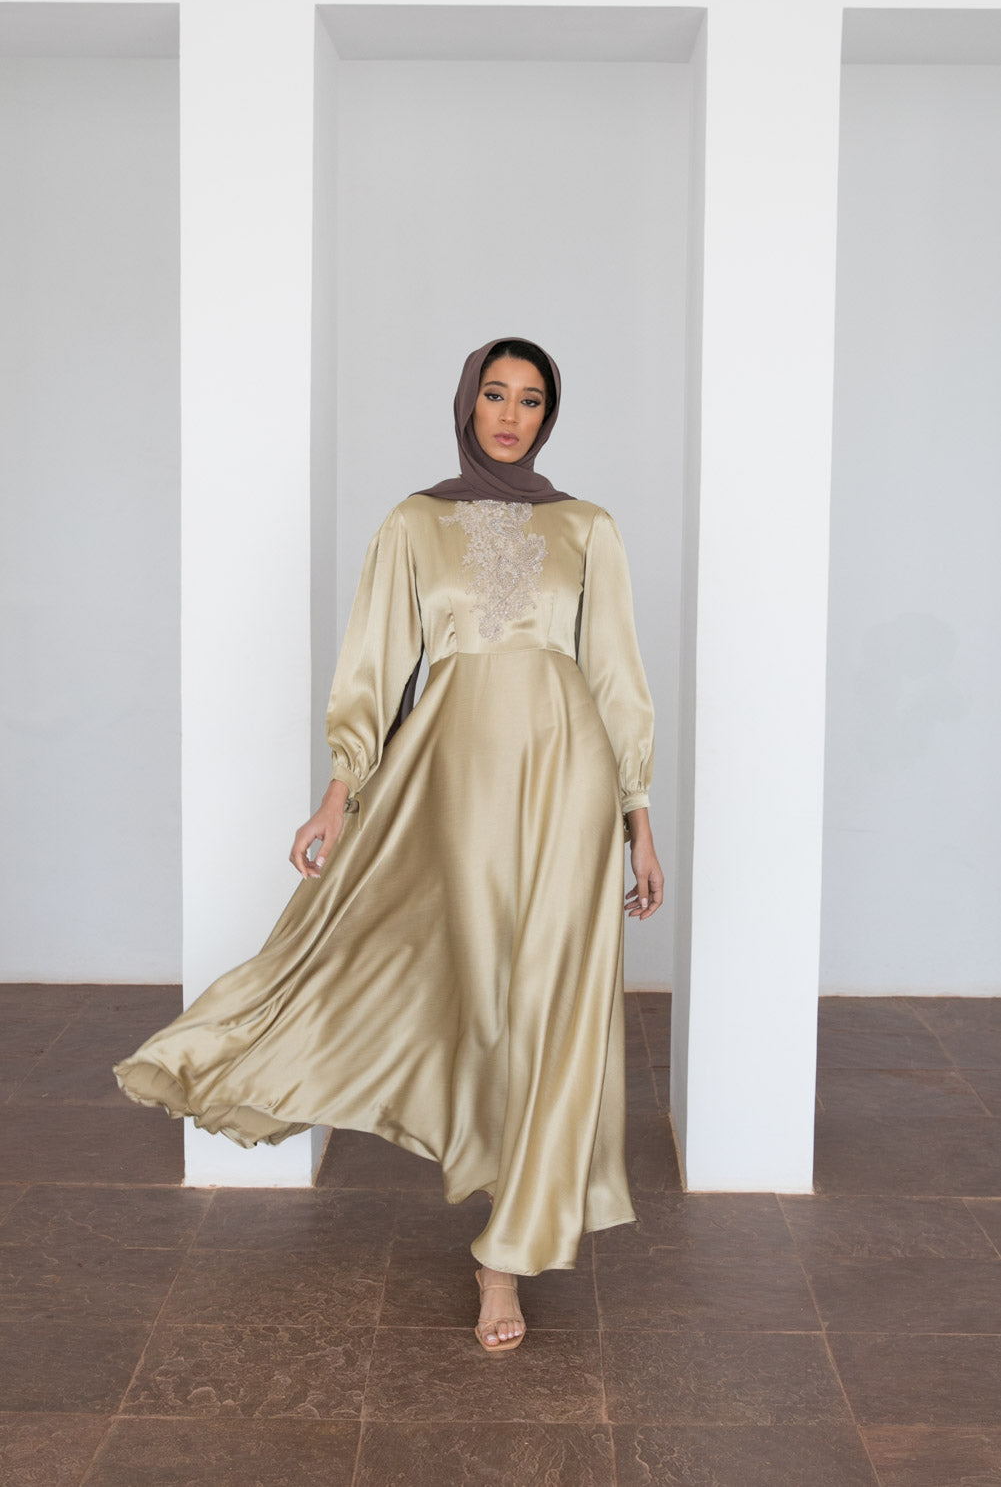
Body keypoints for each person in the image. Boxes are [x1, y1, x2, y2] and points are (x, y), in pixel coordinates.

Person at [113, 336, 662, 1355]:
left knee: (554, 1003)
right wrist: (338, 793)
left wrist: (637, 817)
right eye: (494, 394)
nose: (510, 414)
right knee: (475, 995)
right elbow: (374, 662)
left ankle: (505, 1255)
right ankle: (450, 1157)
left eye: (530, 400)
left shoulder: (587, 527)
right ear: (466, 403)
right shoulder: (414, 523)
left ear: (548, 417)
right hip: (449, 779)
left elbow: (618, 675)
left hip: (570, 779)